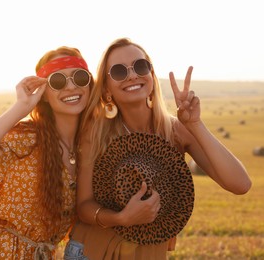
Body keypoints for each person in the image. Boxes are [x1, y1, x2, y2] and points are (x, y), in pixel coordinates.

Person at [64, 37, 252, 259]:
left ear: (151, 75)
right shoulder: (96, 133)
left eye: (140, 66)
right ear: (106, 88)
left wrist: (194, 124)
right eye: (119, 71)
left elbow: (240, 184)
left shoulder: (174, 130)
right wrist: (121, 218)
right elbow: (84, 206)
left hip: (149, 253)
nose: (132, 75)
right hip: (93, 250)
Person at [0, 46, 93, 259]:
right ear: (44, 95)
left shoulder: (89, 147)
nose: (71, 86)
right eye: (58, 81)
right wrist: (21, 106)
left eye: (80, 77)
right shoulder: (28, 139)